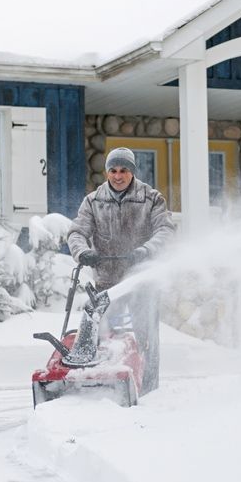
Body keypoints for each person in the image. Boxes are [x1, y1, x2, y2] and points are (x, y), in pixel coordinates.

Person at [67, 147, 175, 394]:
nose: (117, 176)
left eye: (123, 170)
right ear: (107, 172)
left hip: (141, 282)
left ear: (132, 172)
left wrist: (146, 251)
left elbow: (166, 230)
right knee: (98, 333)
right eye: (113, 170)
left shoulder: (151, 199)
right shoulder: (93, 201)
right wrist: (83, 252)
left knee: (145, 337)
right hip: (107, 282)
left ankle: (147, 389)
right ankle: (98, 383)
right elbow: (77, 232)